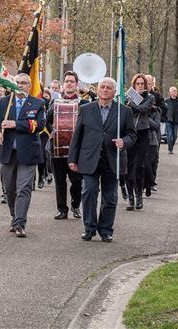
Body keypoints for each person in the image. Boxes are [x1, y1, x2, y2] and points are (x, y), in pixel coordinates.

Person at [68, 77, 136, 242]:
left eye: (109, 87)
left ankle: (105, 230)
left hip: (112, 159)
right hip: (89, 159)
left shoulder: (124, 111)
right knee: (89, 192)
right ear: (97, 90)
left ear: (114, 91)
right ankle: (89, 228)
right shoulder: (85, 109)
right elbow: (77, 135)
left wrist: (124, 141)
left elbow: (132, 134)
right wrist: (72, 158)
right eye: (102, 87)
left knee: (110, 197)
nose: (105, 90)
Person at [0, 73, 46, 238]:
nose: (20, 86)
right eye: (18, 83)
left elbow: (39, 125)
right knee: (9, 188)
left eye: (24, 83)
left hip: (28, 152)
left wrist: (16, 124)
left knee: (24, 188)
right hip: (8, 152)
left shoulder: (38, 103)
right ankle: (14, 215)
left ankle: (20, 223)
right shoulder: (5, 102)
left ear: (30, 86)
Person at [46, 71, 88, 221]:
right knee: (59, 180)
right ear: (63, 84)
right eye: (67, 81)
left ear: (76, 85)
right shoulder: (55, 102)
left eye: (72, 81)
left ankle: (75, 205)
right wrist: (52, 132)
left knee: (76, 180)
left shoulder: (83, 104)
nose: (69, 83)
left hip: (76, 149)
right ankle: (62, 209)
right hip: (57, 146)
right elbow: (47, 121)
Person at [124, 73, 155, 211]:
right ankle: (130, 197)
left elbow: (143, 109)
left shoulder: (150, 97)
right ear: (134, 85)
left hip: (143, 134)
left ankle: (139, 195)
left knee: (138, 166)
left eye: (142, 84)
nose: (140, 86)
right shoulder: (128, 96)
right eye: (138, 84)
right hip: (130, 134)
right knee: (128, 166)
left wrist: (131, 104)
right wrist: (127, 103)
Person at [164, 86, 178, 154]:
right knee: (170, 136)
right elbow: (164, 110)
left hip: (176, 121)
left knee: (175, 136)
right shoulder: (166, 101)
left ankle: (171, 147)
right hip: (168, 120)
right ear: (170, 92)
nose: (175, 92)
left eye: (176, 91)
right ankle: (170, 149)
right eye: (174, 91)